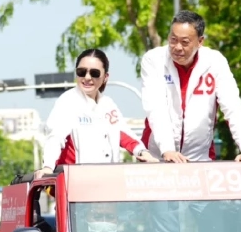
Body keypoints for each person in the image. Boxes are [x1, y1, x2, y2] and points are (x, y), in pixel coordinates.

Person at [140, 10, 241, 164]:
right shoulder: (153, 60)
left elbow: (233, 106)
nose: (177, 47)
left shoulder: (215, 62)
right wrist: (167, 149)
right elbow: (156, 108)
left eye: (185, 42)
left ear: (200, 41)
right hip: (157, 156)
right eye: (173, 39)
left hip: (200, 159)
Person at [37, 48, 156, 178]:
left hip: (108, 182)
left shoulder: (108, 104)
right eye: (81, 72)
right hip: (75, 185)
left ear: (105, 77)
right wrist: (48, 167)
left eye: (94, 73)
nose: (87, 77)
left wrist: (143, 152)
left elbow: (125, 135)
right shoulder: (67, 101)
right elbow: (55, 137)